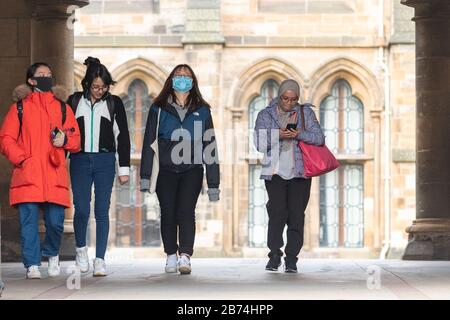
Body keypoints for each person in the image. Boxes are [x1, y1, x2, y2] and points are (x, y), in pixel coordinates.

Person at [0, 62, 81, 279]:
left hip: (54, 173)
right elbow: (6, 138)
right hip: (28, 173)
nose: (46, 77)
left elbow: (75, 140)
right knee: (28, 223)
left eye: (49, 74)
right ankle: (32, 264)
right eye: (41, 74)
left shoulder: (63, 107)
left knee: (55, 223)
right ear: (31, 80)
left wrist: (65, 139)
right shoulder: (19, 107)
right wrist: (22, 158)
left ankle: (52, 253)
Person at [140, 64, 220, 275]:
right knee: (168, 213)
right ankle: (170, 255)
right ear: (171, 79)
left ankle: (185, 255)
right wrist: (145, 176)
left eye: (186, 76)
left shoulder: (202, 110)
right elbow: (149, 141)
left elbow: (210, 146)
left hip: (192, 170)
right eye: (178, 75)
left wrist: (214, 183)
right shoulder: (158, 108)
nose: (182, 79)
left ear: (193, 81)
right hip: (165, 169)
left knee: (186, 212)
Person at [67, 57, 130, 276]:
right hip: (80, 160)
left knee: (102, 210)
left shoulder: (114, 103)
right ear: (86, 85)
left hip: (105, 161)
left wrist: (124, 168)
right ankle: (81, 250)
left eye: (104, 87)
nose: (100, 91)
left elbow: (123, 137)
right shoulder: (74, 102)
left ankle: (100, 259)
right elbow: (65, 133)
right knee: (82, 208)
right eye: (96, 87)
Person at [254, 79, 325, 273]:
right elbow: (259, 143)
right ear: (279, 96)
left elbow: (319, 138)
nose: (289, 102)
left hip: (300, 174)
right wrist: (279, 134)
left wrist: (298, 133)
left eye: (294, 99)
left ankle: (292, 258)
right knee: (276, 214)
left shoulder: (306, 113)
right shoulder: (265, 114)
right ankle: (275, 254)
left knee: (296, 216)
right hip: (274, 173)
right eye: (285, 98)